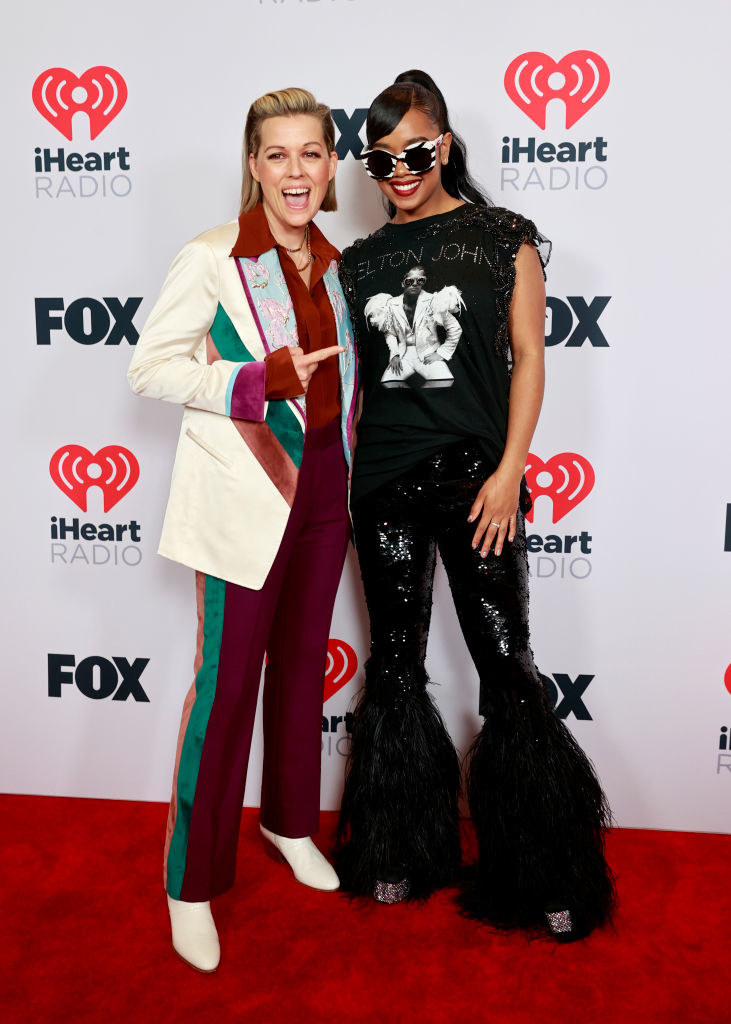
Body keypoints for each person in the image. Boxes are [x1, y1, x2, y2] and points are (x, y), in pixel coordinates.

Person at [334, 70, 614, 941]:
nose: (399, 172)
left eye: (414, 152)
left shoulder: (502, 238)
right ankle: (399, 850)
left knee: (506, 664)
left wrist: (508, 469)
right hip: (380, 482)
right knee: (393, 663)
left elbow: (529, 356)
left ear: (444, 143)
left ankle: (541, 870)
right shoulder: (358, 260)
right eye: (380, 160)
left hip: (475, 480)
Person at [128, 88, 357, 972]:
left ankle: (291, 823)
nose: (295, 172)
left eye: (311, 153)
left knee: (302, 672)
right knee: (225, 692)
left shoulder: (338, 263)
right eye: (278, 155)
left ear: (330, 165)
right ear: (252, 164)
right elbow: (151, 369)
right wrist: (252, 378)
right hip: (245, 498)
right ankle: (189, 885)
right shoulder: (214, 256)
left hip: (328, 492)